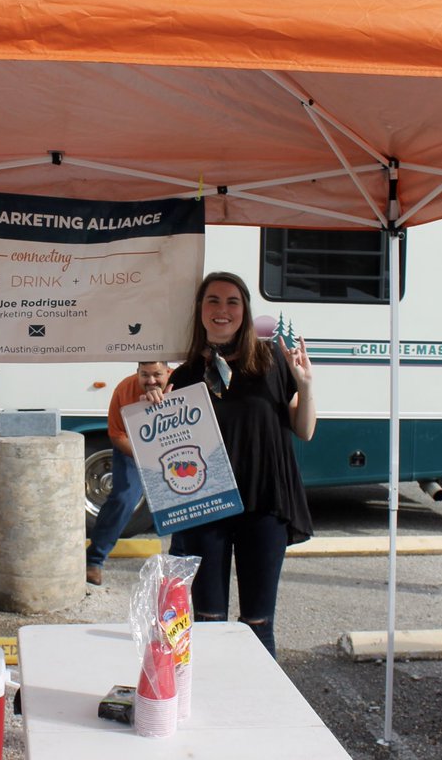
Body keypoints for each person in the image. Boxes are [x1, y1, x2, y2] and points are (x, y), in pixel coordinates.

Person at [160, 271, 315, 658]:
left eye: (233, 301)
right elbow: (168, 450)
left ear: (245, 310)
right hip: (204, 508)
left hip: (263, 503)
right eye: (213, 300)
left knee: (258, 622)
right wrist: (157, 416)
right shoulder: (183, 376)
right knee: (208, 618)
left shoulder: (272, 362)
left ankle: (260, 709)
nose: (222, 310)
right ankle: (212, 701)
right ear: (199, 310)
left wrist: (307, 385)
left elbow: (305, 430)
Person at [85, 361, 172, 586]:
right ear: (137, 374)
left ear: (168, 372)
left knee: (186, 500)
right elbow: (117, 435)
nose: (151, 381)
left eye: (157, 374)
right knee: (123, 499)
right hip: (133, 448)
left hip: (174, 449)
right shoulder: (124, 389)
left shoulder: (181, 382)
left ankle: (180, 564)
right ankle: (94, 560)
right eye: (145, 375)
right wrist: (148, 458)